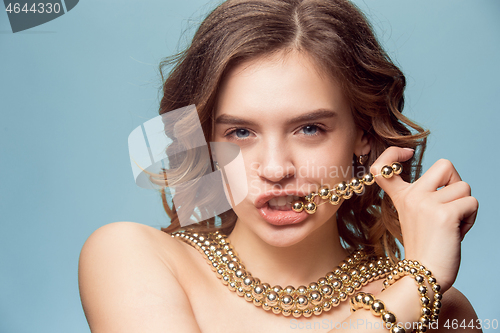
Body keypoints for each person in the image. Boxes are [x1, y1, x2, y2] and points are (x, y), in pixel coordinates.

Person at [78, 0, 481, 332]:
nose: (274, 168)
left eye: (309, 128)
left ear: (362, 133)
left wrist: (418, 290)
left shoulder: (443, 315)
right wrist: (414, 287)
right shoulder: (131, 258)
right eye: (240, 132)